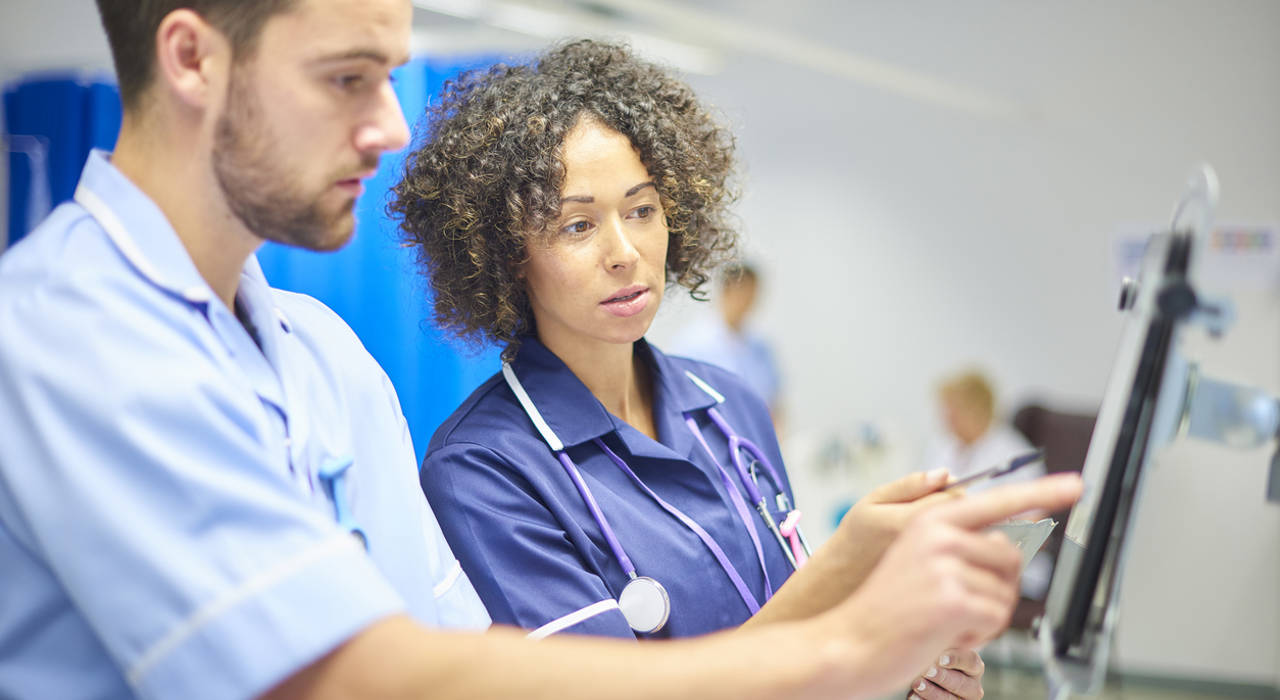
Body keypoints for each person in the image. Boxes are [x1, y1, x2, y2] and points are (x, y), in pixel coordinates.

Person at [0, 3, 1082, 699]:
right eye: (346, 77)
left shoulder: (325, 357)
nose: (386, 125)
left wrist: (873, 655)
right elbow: (353, 677)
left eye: (393, 76)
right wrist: (847, 637)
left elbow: (485, 660)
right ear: (189, 56)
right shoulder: (67, 336)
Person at [396, 39, 1055, 699]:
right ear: (508, 256)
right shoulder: (482, 467)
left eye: (641, 210)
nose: (625, 252)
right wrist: (845, 563)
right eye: (577, 226)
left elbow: (802, 659)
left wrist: (898, 672)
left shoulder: (729, 405)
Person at [671, 262, 785, 423]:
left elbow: (774, 401)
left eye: (753, 294)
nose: (748, 302)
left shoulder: (761, 346)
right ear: (726, 291)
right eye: (743, 293)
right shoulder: (695, 344)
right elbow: (682, 398)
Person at [925, 370, 1043, 492]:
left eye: (954, 411)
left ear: (978, 410)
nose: (947, 418)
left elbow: (1033, 507)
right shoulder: (943, 446)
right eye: (946, 410)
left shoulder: (1016, 457)